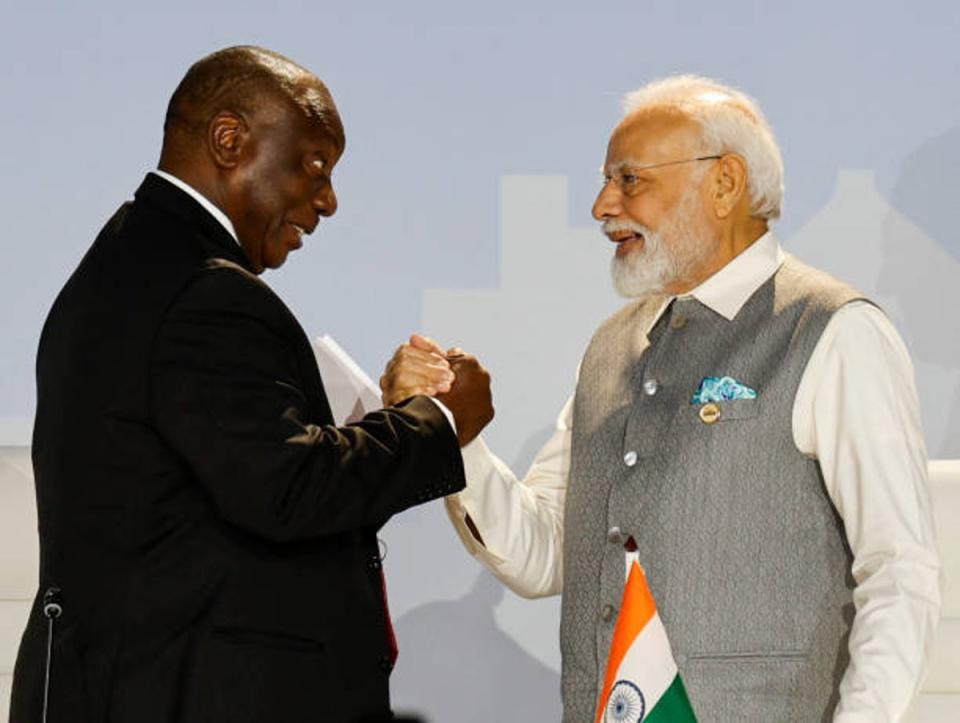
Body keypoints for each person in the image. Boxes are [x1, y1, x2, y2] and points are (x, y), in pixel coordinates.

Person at [395, 76, 942, 720]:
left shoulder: (835, 329)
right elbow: (542, 555)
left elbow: (900, 576)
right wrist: (458, 436)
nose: (602, 205)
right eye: (606, 180)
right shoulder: (609, 347)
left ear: (725, 183)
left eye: (630, 179)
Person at [10, 45, 492, 723]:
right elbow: (286, 488)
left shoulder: (131, 264)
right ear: (229, 141)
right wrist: (436, 419)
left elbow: (235, 497)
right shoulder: (204, 292)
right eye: (314, 165)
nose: (327, 200)